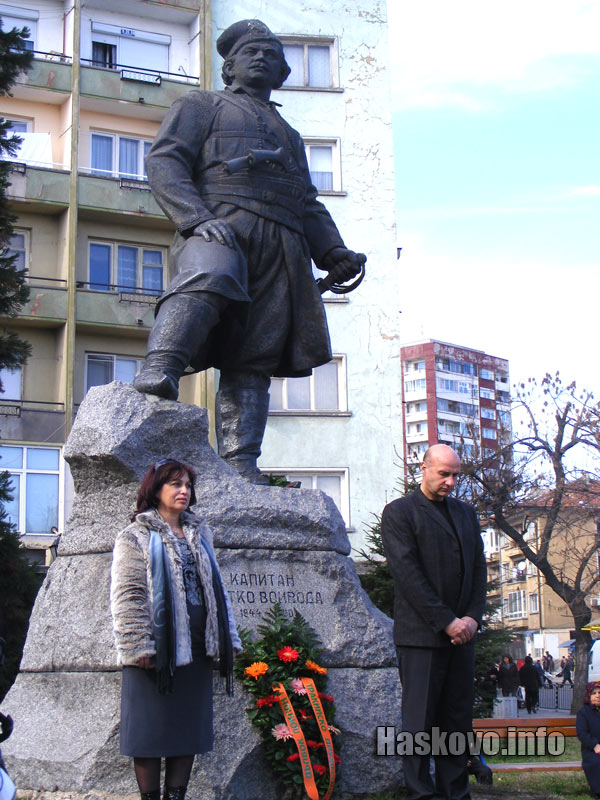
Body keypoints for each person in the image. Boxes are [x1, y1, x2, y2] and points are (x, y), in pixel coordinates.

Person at [133, 19, 365, 483]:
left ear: (281, 72)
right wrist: (195, 217)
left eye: (271, 54)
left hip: (282, 242)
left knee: (256, 353)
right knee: (209, 276)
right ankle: (161, 366)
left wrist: (333, 251)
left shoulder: (290, 136)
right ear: (229, 66)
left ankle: (241, 459)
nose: (261, 58)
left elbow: (307, 201)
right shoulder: (201, 105)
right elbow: (165, 160)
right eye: (251, 52)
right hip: (220, 222)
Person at [111, 459, 242, 800]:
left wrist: (228, 637)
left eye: (187, 485)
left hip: (198, 647)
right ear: (156, 490)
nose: (184, 491)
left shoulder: (201, 533)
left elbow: (217, 589)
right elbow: (129, 594)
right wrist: (137, 645)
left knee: (187, 730)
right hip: (158, 648)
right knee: (149, 732)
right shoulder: (135, 535)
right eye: (176, 484)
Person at [381, 444, 487, 800]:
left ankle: (455, 792)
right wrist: (447, 622)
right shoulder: (400, 513)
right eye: (444, 474)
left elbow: (479, 571)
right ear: (423, 468)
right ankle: (420, 794)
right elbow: (407, 575)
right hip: (421, 638)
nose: (451, 482)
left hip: (463, 638)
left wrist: (471, 618)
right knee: (419, 724)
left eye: (456, 475)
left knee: (456, 722)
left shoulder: (466, 514)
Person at [576, 681, 600, 797]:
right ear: (588, 695)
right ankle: (598, 791)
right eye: (594, 693)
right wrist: (595, 745)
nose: (597, 696)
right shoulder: (584, 712)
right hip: (591, 748)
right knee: (596, 762)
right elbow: (582, 733)